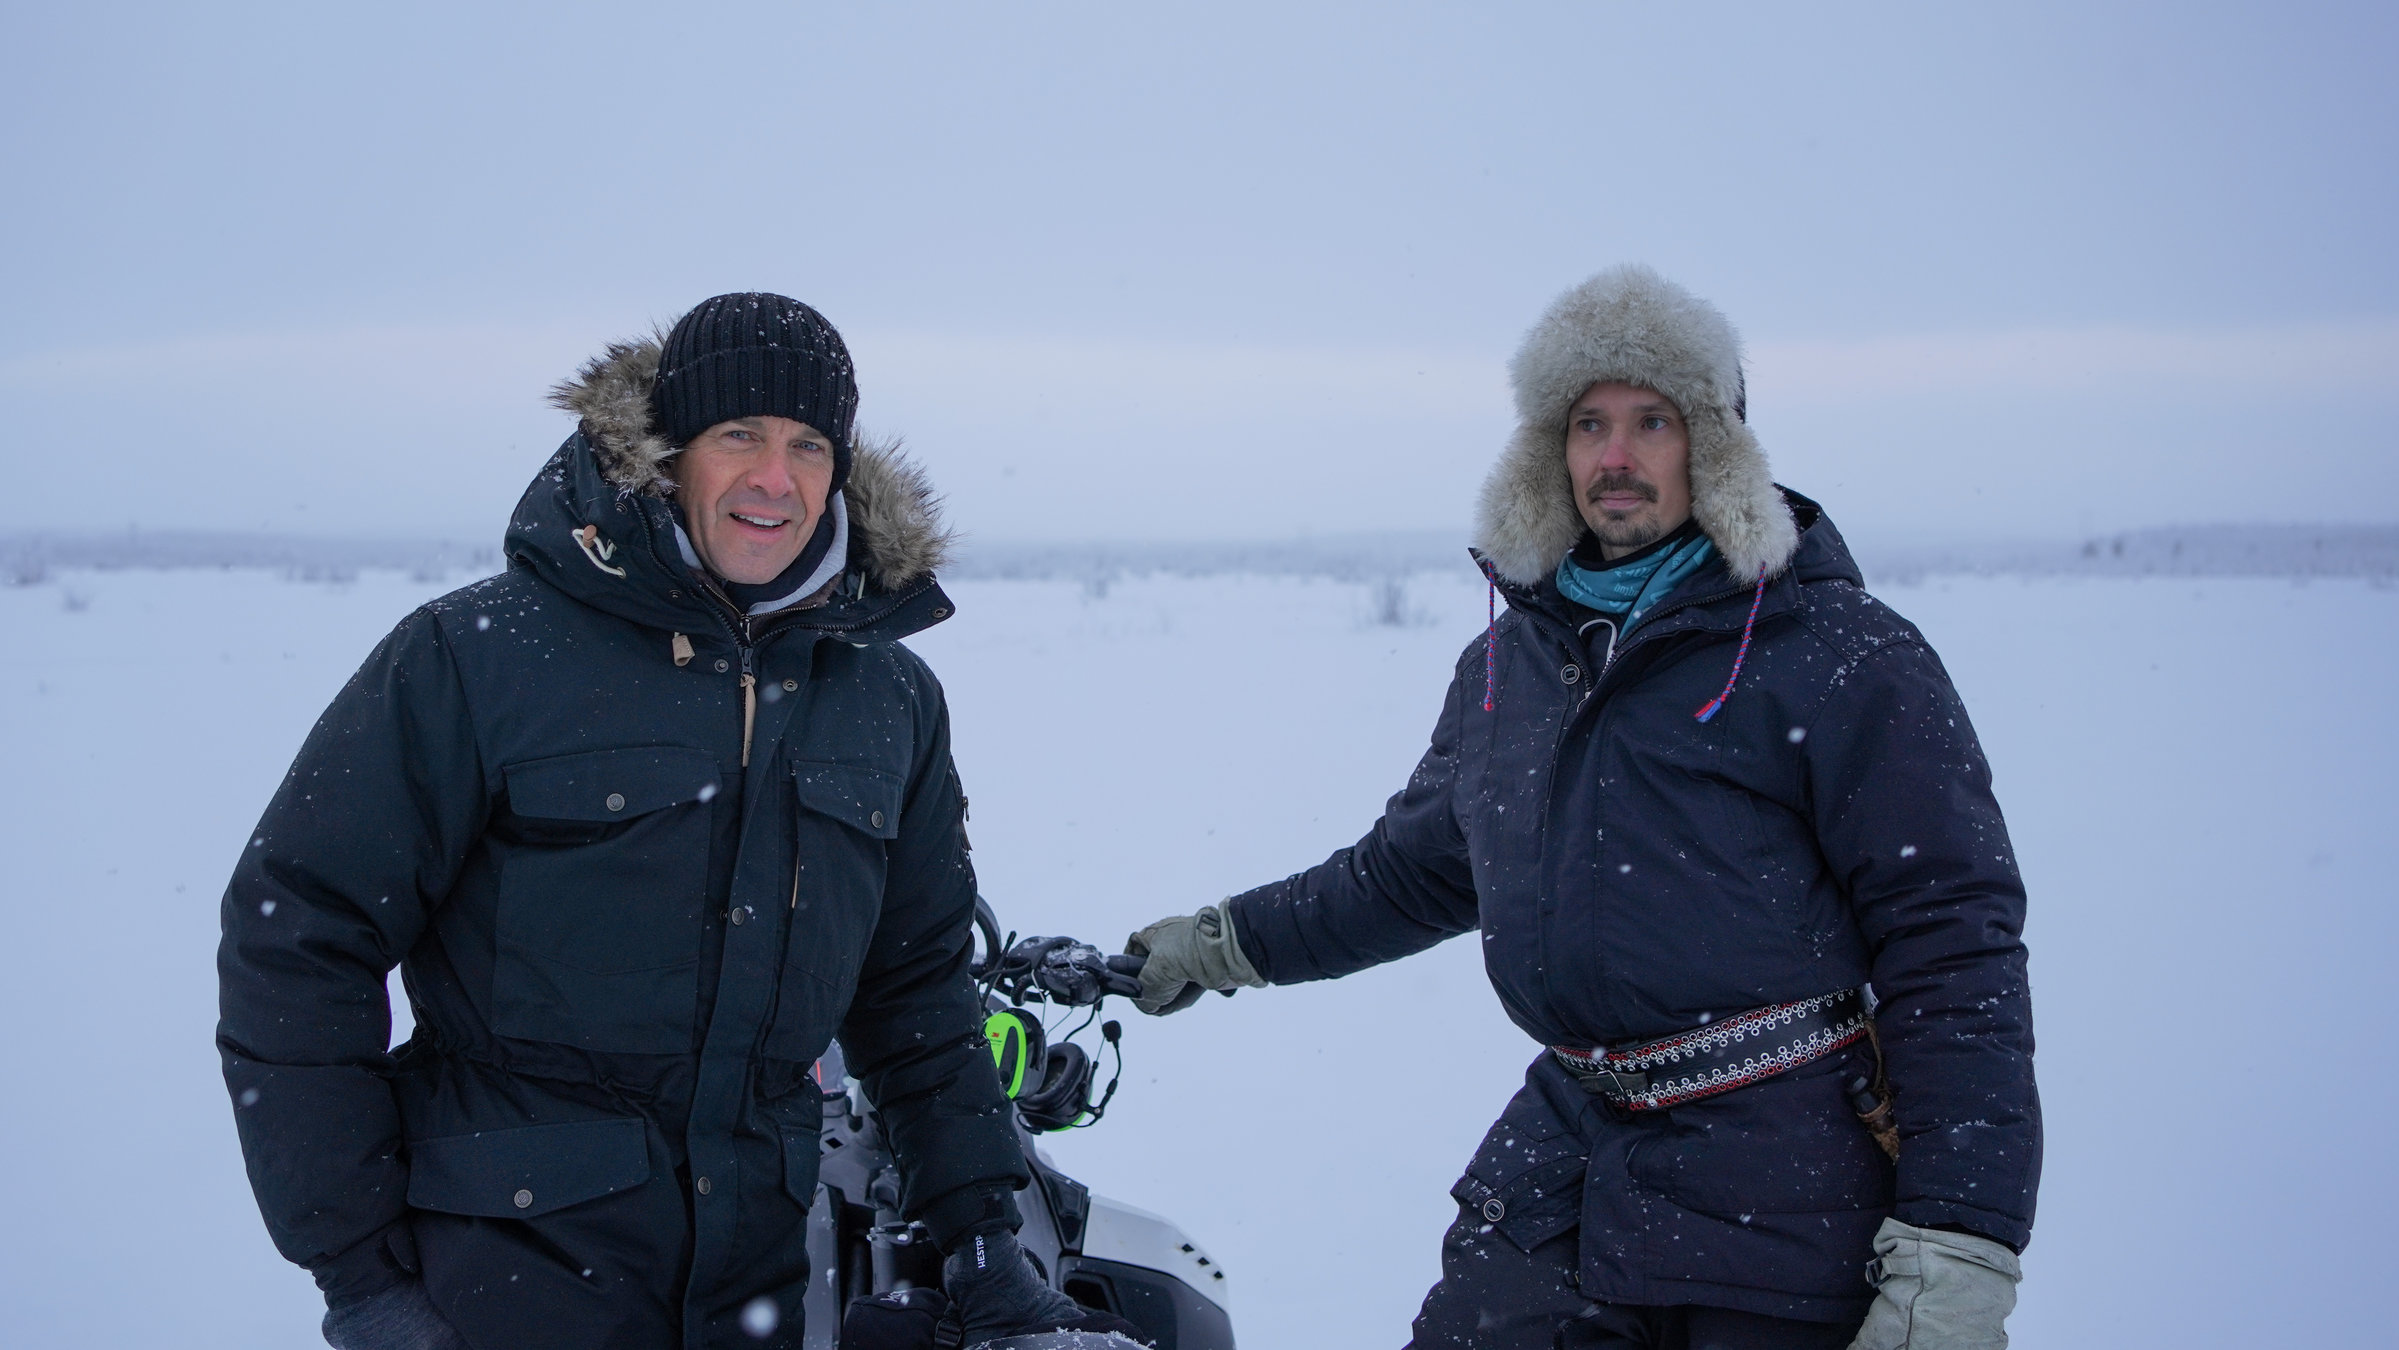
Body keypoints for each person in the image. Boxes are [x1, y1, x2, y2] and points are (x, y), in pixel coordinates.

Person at [1126, 267, 2039, 1349]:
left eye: (1652, 421)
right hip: (1566, 1168)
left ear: (1715, 446)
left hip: (1785, 1194)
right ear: (1547, 453)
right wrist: (1222, 943)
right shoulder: (1506, 667)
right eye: (1587, 423)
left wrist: (1958, 1242)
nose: (1614, 457)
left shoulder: (1841, 654)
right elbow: (1410, 873)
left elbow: (1952, 944)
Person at [217, 294, 1137, 1350]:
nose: (774, 478)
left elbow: (914, 989)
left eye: (807, 445)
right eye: (738, 433)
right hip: (497, 1286)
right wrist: (363, 1277)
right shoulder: (478, 657)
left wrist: (980, 1236)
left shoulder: (887, 696)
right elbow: (298, 938)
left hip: (754, 1284)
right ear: (665, 452)